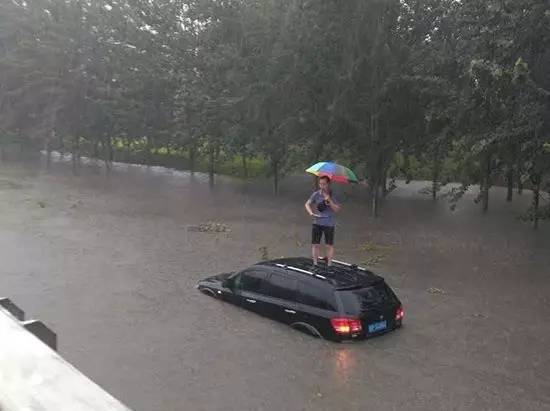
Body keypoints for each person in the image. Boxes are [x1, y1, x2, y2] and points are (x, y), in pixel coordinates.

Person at [304, 176, 341, 266]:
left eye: (324, 184)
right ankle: (315, 263)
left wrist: (329, 200)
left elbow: (337, 209)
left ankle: (329, 264)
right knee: (315, 244)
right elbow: (307, 204)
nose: (322, 186)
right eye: (320, 184)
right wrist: (311, 213)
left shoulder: (333, 195)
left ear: (328, 184)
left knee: (329, 245)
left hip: (329, 223)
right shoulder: (316, 194)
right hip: (317, 222)